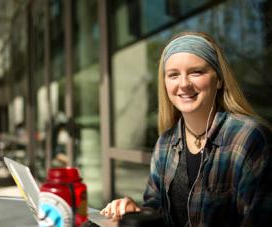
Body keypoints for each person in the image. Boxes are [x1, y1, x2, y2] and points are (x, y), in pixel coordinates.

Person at [100, 31, 272, 226]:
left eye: (196, 72)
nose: (183, 84)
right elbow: (157, 211)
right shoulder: (165, 143)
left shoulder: (248, 138)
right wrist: (137, 212)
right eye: (173, 75)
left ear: (219, 80)